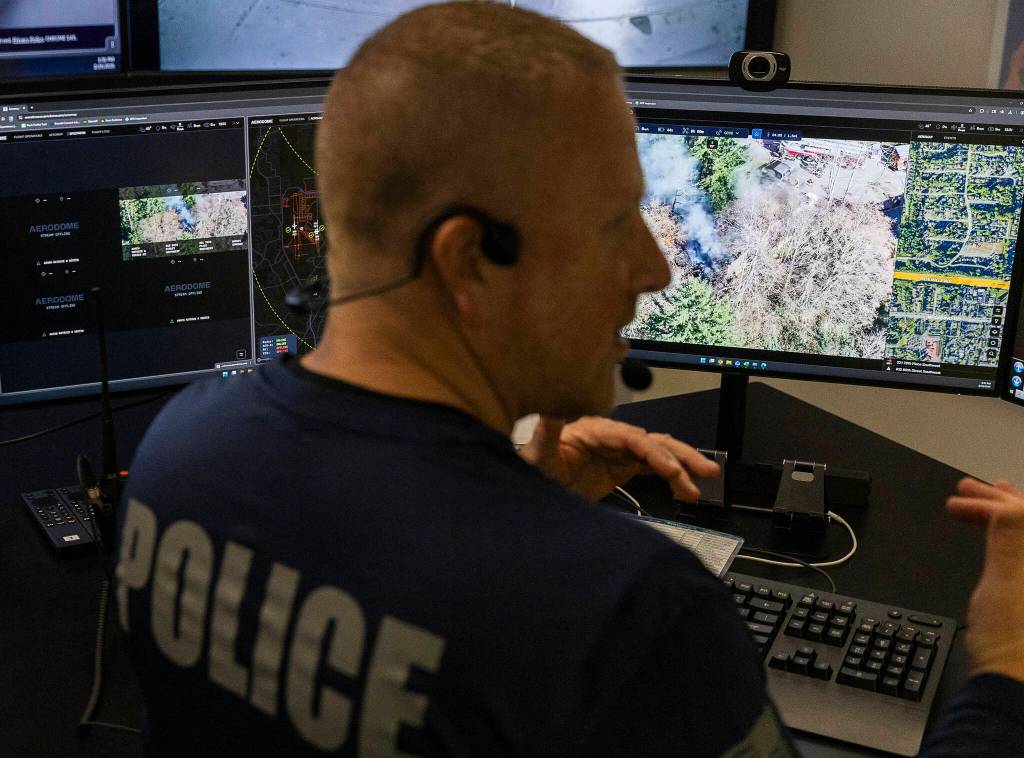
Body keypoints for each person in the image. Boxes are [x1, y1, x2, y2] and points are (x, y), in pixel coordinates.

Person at [114, 3, 1024, 756]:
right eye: (614, 223)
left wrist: (518, 504)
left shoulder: (180, 452)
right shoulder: (630, 615)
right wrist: (1005, 669)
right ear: (469, 259)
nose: (653, 270)